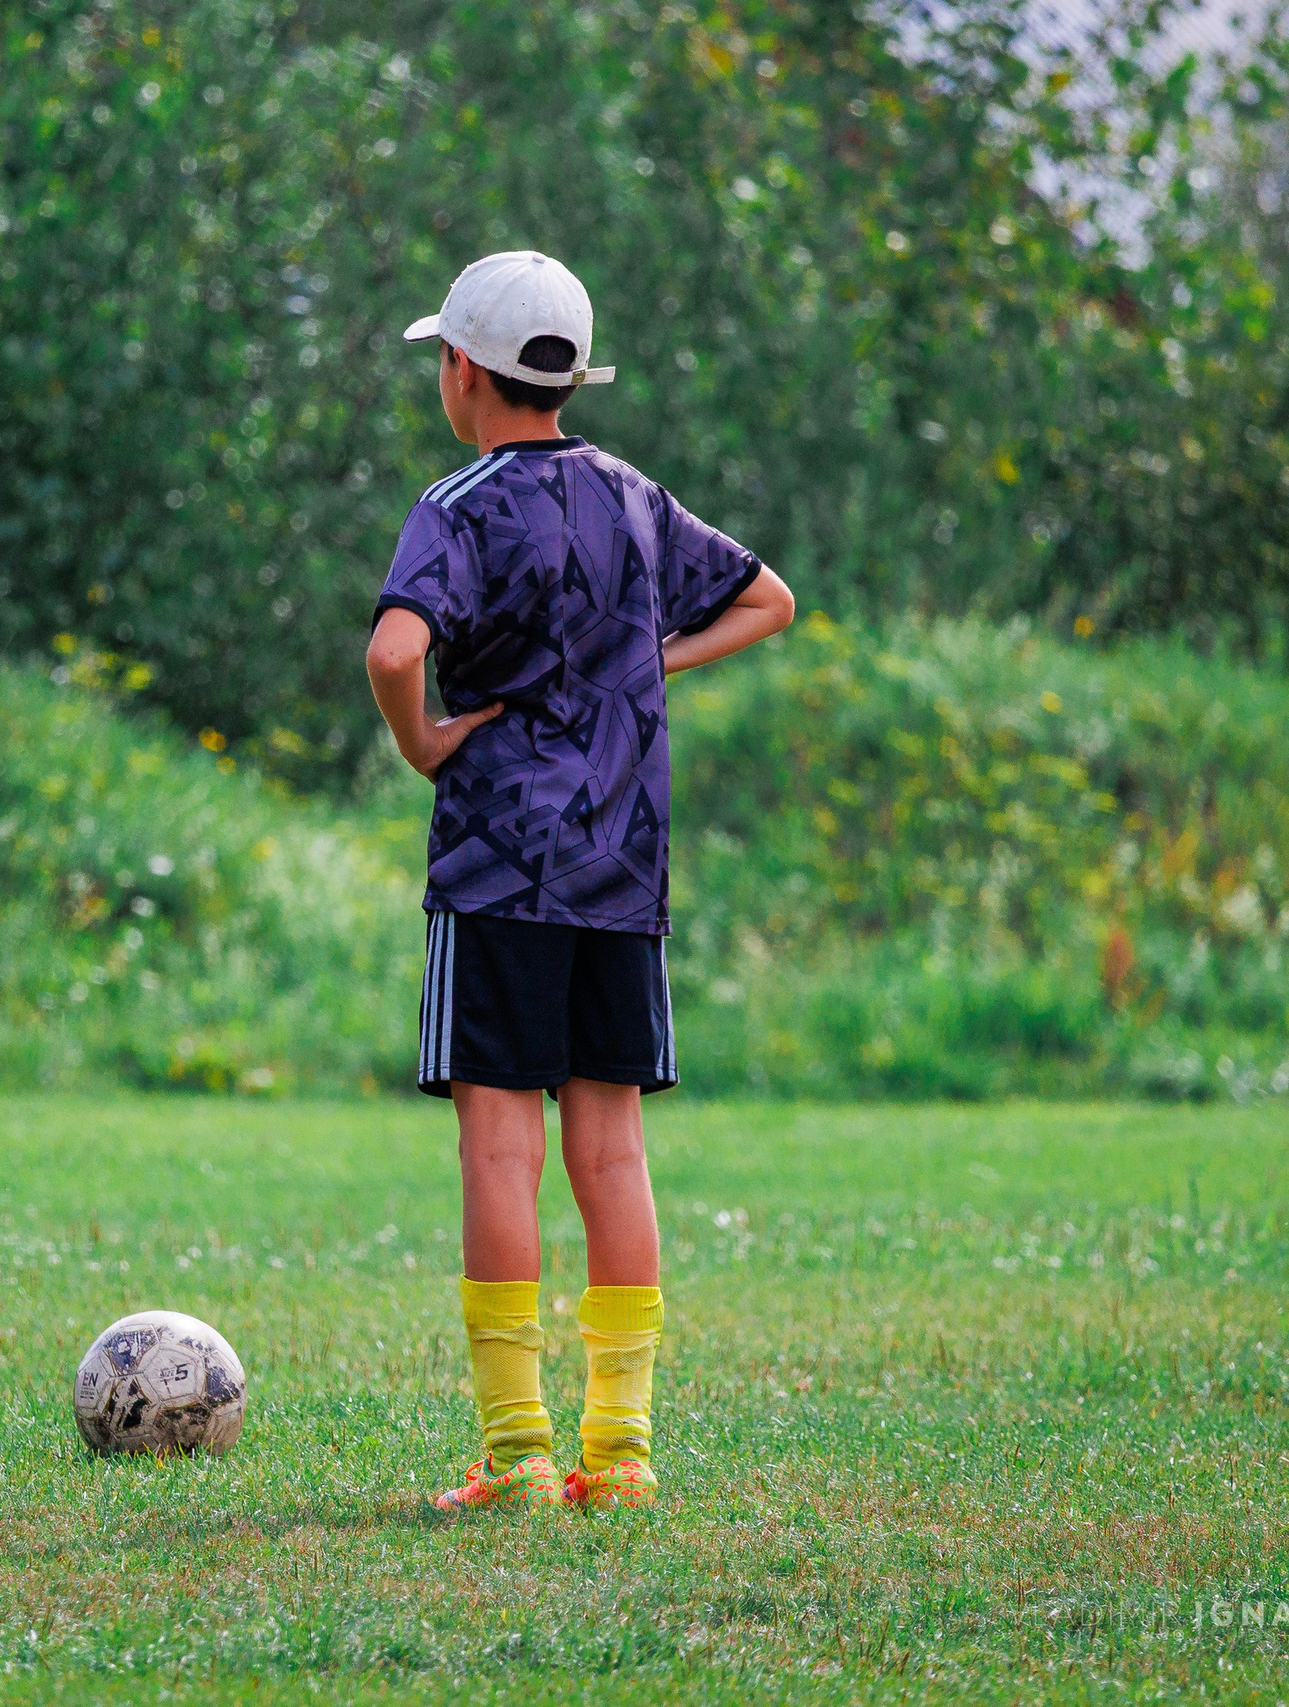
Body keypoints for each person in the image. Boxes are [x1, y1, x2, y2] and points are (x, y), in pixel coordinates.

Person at [366, 251, 795, 1513]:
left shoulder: (459, 502)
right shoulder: (633, 495)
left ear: (460, 370)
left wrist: (425, 741)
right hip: (621, 867)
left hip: (498, 868)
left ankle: (514, 1455)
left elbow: (397, 648)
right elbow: (767, 599)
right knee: (611, 1153)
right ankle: (620, 1455)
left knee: (499, 1151)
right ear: (565, 375)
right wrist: (649, 666)